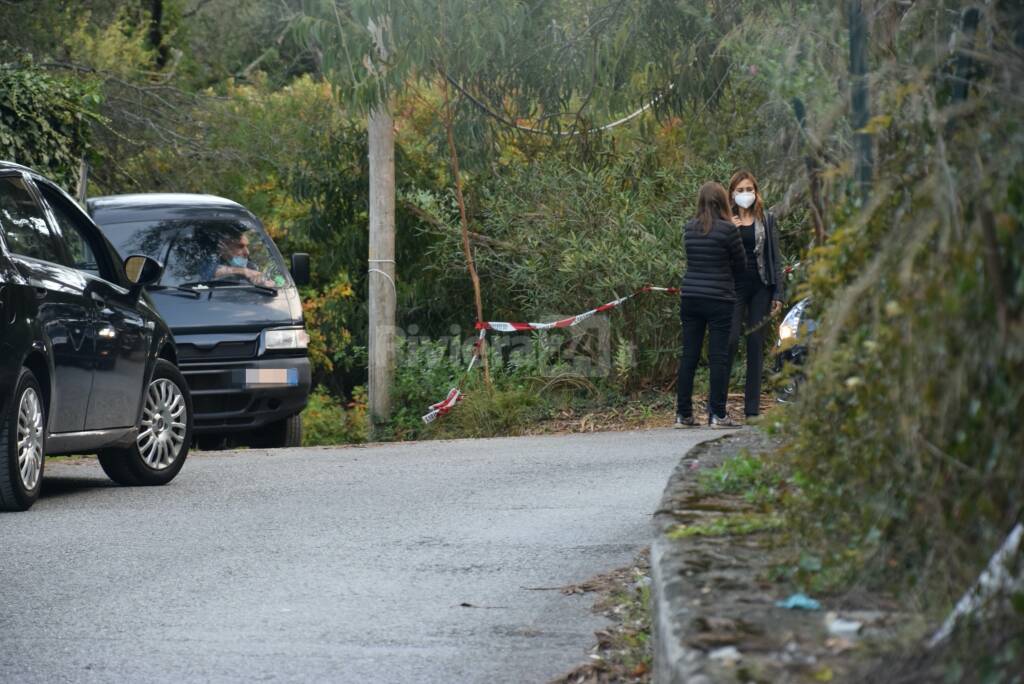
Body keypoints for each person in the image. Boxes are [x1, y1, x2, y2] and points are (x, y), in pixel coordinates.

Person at [675, 182, 746, 429]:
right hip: (719, 299)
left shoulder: (689, 228)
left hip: (691, 297)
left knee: (689, 355)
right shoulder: (728, 231)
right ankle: (717, 414)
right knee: (718, 357)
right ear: (723, 202)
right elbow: (740, 265)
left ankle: (683, 414)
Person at [726, 170, 785, 419]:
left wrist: (778, 293)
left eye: (749, 189)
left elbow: (775, 258)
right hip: (733, 288)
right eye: (740, 190)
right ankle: (716, 408)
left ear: (756, 191)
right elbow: (717, 255)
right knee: (728, 342)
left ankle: (752, 410)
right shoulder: (726, 220)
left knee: (755, 345)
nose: (745, 194)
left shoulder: (766, 219)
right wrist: (729, 229)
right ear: (732, 194)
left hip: (761, 287)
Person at [208, 230, 275, 287]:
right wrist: (242, 271)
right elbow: (208, 273)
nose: (247, 252)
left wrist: (264, 283)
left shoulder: (251, 267)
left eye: (246, 246)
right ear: (223, 247)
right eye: (240, 247)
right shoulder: (209, 261)